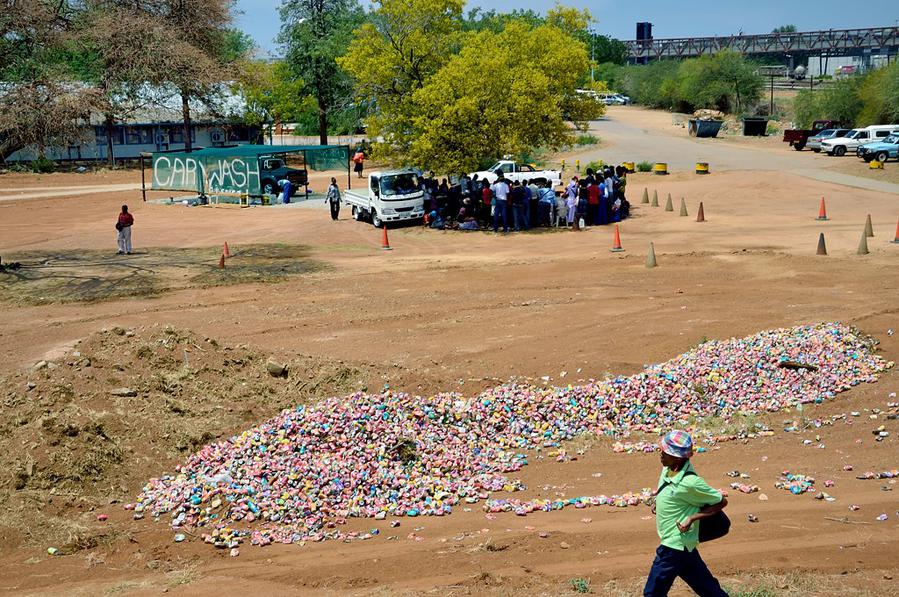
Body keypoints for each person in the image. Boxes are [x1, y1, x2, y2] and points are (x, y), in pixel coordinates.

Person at [644, 431, 728, 597]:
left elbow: (721, 502)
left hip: (673, 546)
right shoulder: (668, 469)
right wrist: (658, 501)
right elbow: (670, 492)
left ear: (678, 457)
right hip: (685, 547)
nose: (660, 455)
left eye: (665, 453)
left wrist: (692, 518)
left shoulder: (690, 482)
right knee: (709, 590)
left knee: (652, 593)